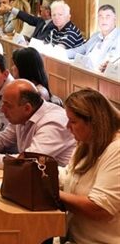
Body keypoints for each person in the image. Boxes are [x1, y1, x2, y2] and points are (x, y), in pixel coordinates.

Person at [0, 80, 76, 169]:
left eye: (7, 105)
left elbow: (28, 161)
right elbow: (3, 139)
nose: (2, 110)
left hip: (58, 188)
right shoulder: (22, 115)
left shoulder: (53, 123)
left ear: (27, 108)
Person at [59, 89, 120, 244]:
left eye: (73, 121)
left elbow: (100, 209)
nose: (67, 126)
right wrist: (39, 171)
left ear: (93, 123)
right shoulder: (86, 143)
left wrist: (52, 193)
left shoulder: (116, 150)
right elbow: (68, 178)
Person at [66, 4, 118, 72]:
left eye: (107, 17)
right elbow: (80, 49)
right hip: (83, 69)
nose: (104, 20)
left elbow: (112, 62)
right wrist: (61, 53)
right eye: (100, 16)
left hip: (99, 74)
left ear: (114, 19)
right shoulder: (96, 35)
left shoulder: (118, 38)